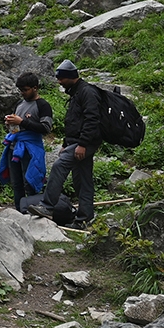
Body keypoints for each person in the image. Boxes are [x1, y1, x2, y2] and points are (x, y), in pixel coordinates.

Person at [28, 60, 102, 230]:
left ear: (70, 77)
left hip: (86, 142)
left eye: (61, 79)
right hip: (76, 142)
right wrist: (66, 143)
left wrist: (82, 144)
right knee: (82, 180)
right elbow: (74, 122)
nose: (59, 82)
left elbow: (92, 120)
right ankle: (84, 218)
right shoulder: (76, 93)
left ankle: (47, 206)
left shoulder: (87, 92)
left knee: (59, 166)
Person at [0, 72, 53, 212]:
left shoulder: (42, 105)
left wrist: (22, 122)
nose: (22, 93)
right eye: (21, 90)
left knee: (30, 181)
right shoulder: (20, 104)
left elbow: (46, 128)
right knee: (16, 183)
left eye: (25, 90)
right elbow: (18, 126)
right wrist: (11, 124)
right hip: (15, 146)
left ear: (35, 88)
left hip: (31, 149)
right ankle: (19, 209)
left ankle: (33, 209)